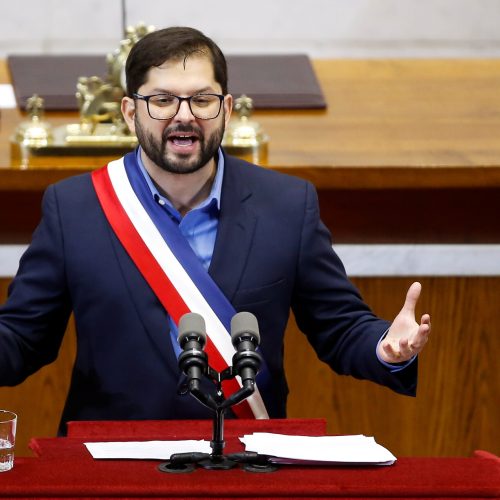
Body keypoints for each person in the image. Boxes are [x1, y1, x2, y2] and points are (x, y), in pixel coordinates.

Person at [0, 27, 430, 432]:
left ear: (225, 108)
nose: (184, 116)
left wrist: (385, 347)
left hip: (246, 459)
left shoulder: (286, 205)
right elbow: (22, 339)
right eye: (163, 100)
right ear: (131, 113)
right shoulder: (75, 207)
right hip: (110, 459)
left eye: (201, 100)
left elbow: (339, 327)